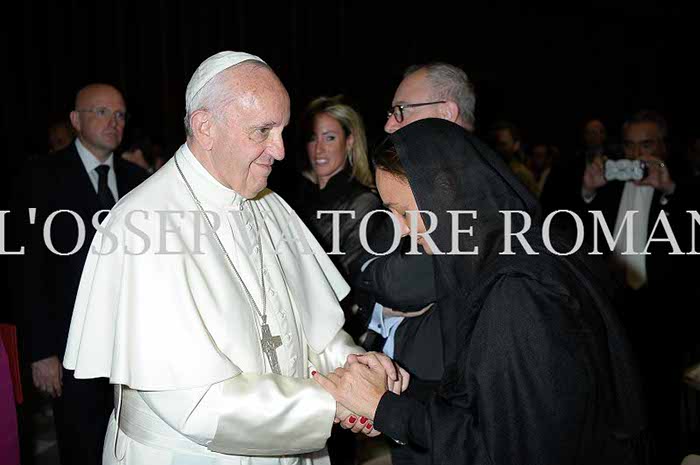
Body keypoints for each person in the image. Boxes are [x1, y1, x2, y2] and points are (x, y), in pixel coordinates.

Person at [62, 51, 406, 465]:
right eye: (262, 131)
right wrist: (335, 400)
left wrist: (355, 368)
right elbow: (197, 406)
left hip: (290, 445)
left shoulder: (269, 205)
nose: (279, 151)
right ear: (206, 127)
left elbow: (316, 332)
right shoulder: (145, 224)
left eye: (282, 131)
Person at [315, 118, 648, 464]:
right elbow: (493, 406)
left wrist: (384, 409)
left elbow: (508, 451)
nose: (400, 232)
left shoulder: (517, 293)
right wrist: (405, 389)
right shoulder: (511, 254)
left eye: (404, 212)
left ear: (445, 195)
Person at [23, 83, 149, 465]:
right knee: (81, 446)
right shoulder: (38, 177)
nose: (114, 122)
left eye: (121, 114)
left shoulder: (137, 180)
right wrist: (42, 350)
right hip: (70, 349)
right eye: (102, 112)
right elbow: (27, 270)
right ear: (75, 120)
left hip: (131, 350)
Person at [574, 110, 698, 461]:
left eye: (647, 144)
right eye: (630, 145)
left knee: (662, 402)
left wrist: (669, 190)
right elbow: (572, 234)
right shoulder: (608, 184)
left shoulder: (684, 183)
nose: (637, 154)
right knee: (615, 400)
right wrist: (586, 192)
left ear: (663, 145)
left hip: (663, 310)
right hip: (613, 307)